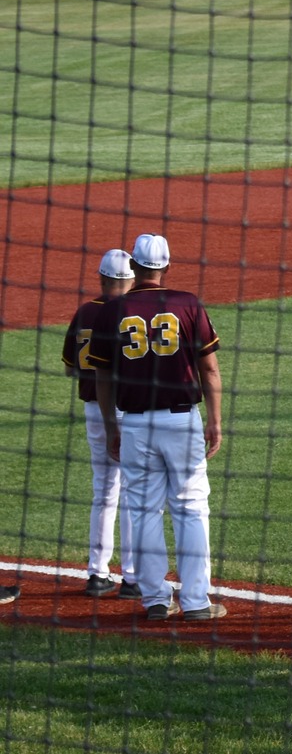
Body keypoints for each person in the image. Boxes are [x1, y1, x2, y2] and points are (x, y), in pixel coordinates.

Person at [84, 233, 224, 622]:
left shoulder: (112, 310)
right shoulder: (187, 304)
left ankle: (155, 601)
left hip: (136, 425)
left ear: (135, 266)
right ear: (165, 266)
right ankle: (196, 602)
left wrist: (112, 426)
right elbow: (208, 367)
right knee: (191, 508)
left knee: (142, 510)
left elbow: (103, 375)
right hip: (181, 420)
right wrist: (215, 419)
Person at [61, 248, 139, 599]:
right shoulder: (129, 312)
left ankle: (97, 574)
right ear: (130, 278)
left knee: (104, 490)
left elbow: (69, 367)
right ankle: (134, 578)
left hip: (93, 409)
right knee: (136, 492)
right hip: (128, 409)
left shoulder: (85, 311)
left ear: (101, 277)